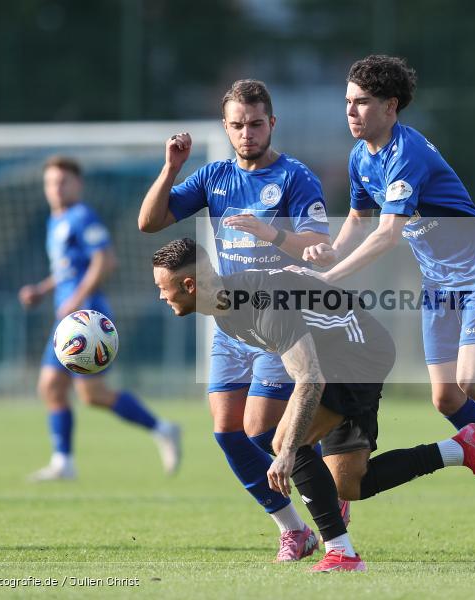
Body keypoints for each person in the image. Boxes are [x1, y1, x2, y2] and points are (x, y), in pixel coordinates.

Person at [298, 55, 475, 540]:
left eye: (361, 102)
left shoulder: (407, 154)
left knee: (474, 381)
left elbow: (386, 236)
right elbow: (360, 219)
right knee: (446, 397)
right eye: (347, 102)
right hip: (439, 284)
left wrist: (331, 277)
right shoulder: (362, 155)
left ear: (390, 105)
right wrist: (329, 253)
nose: (351, 112)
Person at [152, 237, 475, 571]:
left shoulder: (260, 304)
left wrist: (289, 449)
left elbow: (311, 378)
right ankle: (460, 448)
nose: (160, 296)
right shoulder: (225, 314)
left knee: (283, 440)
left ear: (189, 285)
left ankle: (340, 552)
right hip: (345, 354)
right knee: (349, 484)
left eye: (162, 287)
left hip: (358, 353)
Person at [137, 80, 334, 561]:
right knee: (227, 432)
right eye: (238, 125)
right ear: (226, 128)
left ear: (272, 123)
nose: (248, 133)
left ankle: (325, 486)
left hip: (279, 317)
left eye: (256, 123)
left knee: (260, 429)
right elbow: (150, 222)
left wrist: (271, 233)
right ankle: (293, 529)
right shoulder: (214, 176)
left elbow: (320, 248)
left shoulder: (295, 178)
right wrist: (171, 169)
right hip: (231, 322)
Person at [20, 156, 181, 482]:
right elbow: (65, 269)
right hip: (68, 316)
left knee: (89, 393)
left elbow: (105, 261)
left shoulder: (82, 216)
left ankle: (162, 428)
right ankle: (63, 461)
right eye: (51, 182)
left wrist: (75, 300)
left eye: (63, 181)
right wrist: (42, 288)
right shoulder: (57, 221)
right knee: (54, 388)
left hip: (86, 317)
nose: (56, 188)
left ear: (78, 184)